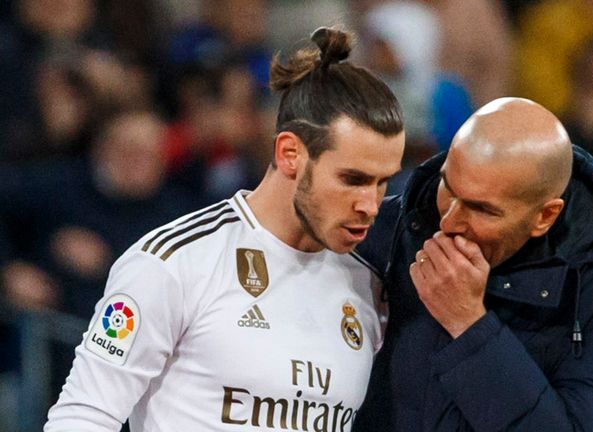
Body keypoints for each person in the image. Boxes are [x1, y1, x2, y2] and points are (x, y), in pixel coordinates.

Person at [44, 27, 405, 431]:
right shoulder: (173, 262)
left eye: (383, 182)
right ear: (290, 154)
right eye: (353, 179)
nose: (371, 205)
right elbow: (83, 416)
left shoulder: (368, 286)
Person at [353, 97, 593, 431]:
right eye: (448, 185)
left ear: (545, 216)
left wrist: (469, 325)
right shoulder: (382, 231)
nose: (449, 221)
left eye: (482, 209)